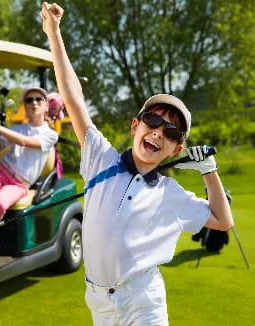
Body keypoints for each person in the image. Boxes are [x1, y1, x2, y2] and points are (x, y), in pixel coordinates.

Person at [41, 3, 234, 325]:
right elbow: (73, 97)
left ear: (176, 148)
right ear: (135, 125)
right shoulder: (100, 157)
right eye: (153, 120)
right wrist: (54, 33)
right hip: (99, 300)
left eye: (170, 131)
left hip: (143, 299)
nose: (158, 132)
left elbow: (222, 220)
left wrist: (209, 171)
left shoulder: (169, 193)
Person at [0, 87, 59, 229]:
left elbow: (24, 141)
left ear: (46, 106)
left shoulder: (50, 135)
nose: (34, 103)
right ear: (25, 107)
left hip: (19, 184)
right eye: (29, 100)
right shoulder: (16, 129)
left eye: (39, 99)